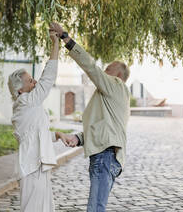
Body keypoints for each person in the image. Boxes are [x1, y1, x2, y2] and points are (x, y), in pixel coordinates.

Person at [50, 22, 131, 212]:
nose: (104, 72)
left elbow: (91, 67)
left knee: (95, 209)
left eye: (108, 69)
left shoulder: (115, 85)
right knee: (95, 208)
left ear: (118, 75)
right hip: (106, 157)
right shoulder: (110, 97)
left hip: (105, 157)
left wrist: (65, 38)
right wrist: (77, 138)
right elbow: (102, 129)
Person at [8, 29, 68, 212]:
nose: (35, 84)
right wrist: (55, 44)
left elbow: (35, 134)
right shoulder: (26, 101)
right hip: (32, 166)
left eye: (33, 80)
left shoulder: (27, 104)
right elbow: (47, 79)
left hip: (37, 164)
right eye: (31, 81)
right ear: (20, 90)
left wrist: (56, 134)